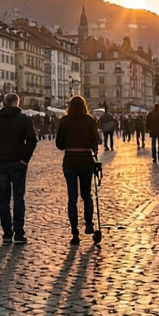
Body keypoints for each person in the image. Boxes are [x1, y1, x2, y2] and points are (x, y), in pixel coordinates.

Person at [0, 93, 38, 244]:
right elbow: (32, 140)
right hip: (17, 162)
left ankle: (7, 234)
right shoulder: (24, 119)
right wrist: (25, 159)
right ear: (17, 102)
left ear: (5, 103)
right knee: (18, 197)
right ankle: (19, 233)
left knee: (4, 198)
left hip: (2, 162)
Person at [55, 95, 101, 244]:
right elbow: (96, 140)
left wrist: (69, 143)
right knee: (87, 195)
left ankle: (75, 232)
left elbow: (59, 144)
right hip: (85, 159)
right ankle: (89, 224)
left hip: (70, 160)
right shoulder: (90, 120)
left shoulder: (65, 121)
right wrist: (92, 146)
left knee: (72, 198)